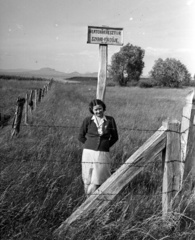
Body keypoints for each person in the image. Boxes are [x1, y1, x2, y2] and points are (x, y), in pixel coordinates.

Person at [78, 99, 118, 197]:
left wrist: (105, 145)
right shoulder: (88, 120)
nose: (98, 111)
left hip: (103, 153)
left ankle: (97, 198)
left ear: (103, 108)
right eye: (95, 110)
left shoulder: (110, 120)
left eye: (100, 109)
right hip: (88, 153)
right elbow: (80, 136)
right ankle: (87, 198)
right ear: (92, 110)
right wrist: (89, 144)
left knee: (100, 176)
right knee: (88, 176)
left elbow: (115, 137)